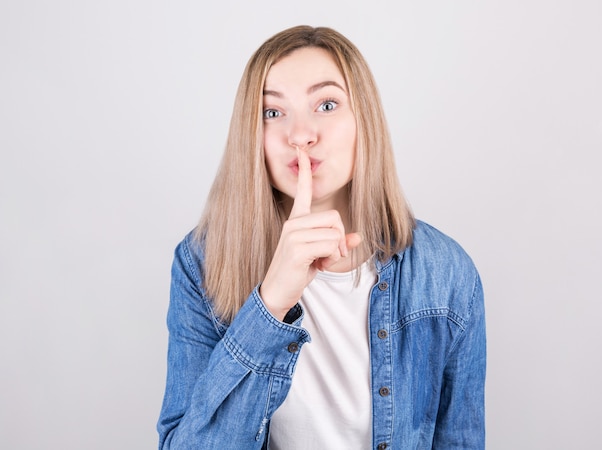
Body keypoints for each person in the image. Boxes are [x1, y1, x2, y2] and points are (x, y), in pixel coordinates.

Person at [157, 25, 486, 450]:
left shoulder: (446, 273)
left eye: (326, 104)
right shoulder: (201, 263)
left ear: (363, 120)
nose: (300, 134)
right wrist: (269, 305)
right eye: (272, 113)